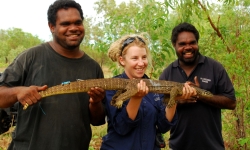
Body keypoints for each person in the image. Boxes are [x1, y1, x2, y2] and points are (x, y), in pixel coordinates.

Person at [0, 0, 106, 149]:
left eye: (78, 22)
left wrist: (95, 103)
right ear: (52, 27)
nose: (73, 28)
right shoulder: (31, 57)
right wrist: (18, 92)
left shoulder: (93, 67)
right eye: (65, 24)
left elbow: (98, 120)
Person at [100, 34, 197, 150]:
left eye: (144, 57)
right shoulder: (113, 86)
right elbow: (122, 128)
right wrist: (136, 98)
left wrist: (174, 99)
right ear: (122, 60)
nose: (141, 63)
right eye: (135, 58)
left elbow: (163, 126)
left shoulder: (155, 87)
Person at [159, 22, 236, 150]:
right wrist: (179, 100)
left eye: (192, 43)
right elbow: (160, 107)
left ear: (197, 43)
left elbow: (231, 102)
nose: (188, 47)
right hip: (179, 146)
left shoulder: (214, 67)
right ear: (174, 45)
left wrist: (199, 94)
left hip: (212, 146)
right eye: (182, 44)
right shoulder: (168, 73)